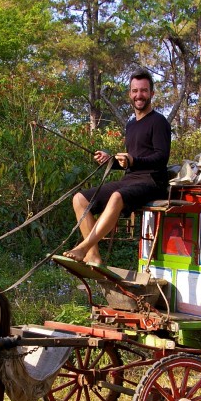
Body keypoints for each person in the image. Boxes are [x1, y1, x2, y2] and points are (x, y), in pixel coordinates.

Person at [64, 68, 171, 265]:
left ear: (152, 94)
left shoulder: (159, 121)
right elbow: (132, 160)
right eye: (135, 91)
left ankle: (84, 247)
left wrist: (133, 161)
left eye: (144, 90)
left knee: (117, 196)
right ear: (130, 94)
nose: (139, 95)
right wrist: (112, 161)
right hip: (130, 180)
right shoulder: (131, 125)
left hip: (152, 182)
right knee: (79, 199)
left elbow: (161, 158)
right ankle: (94, 255)